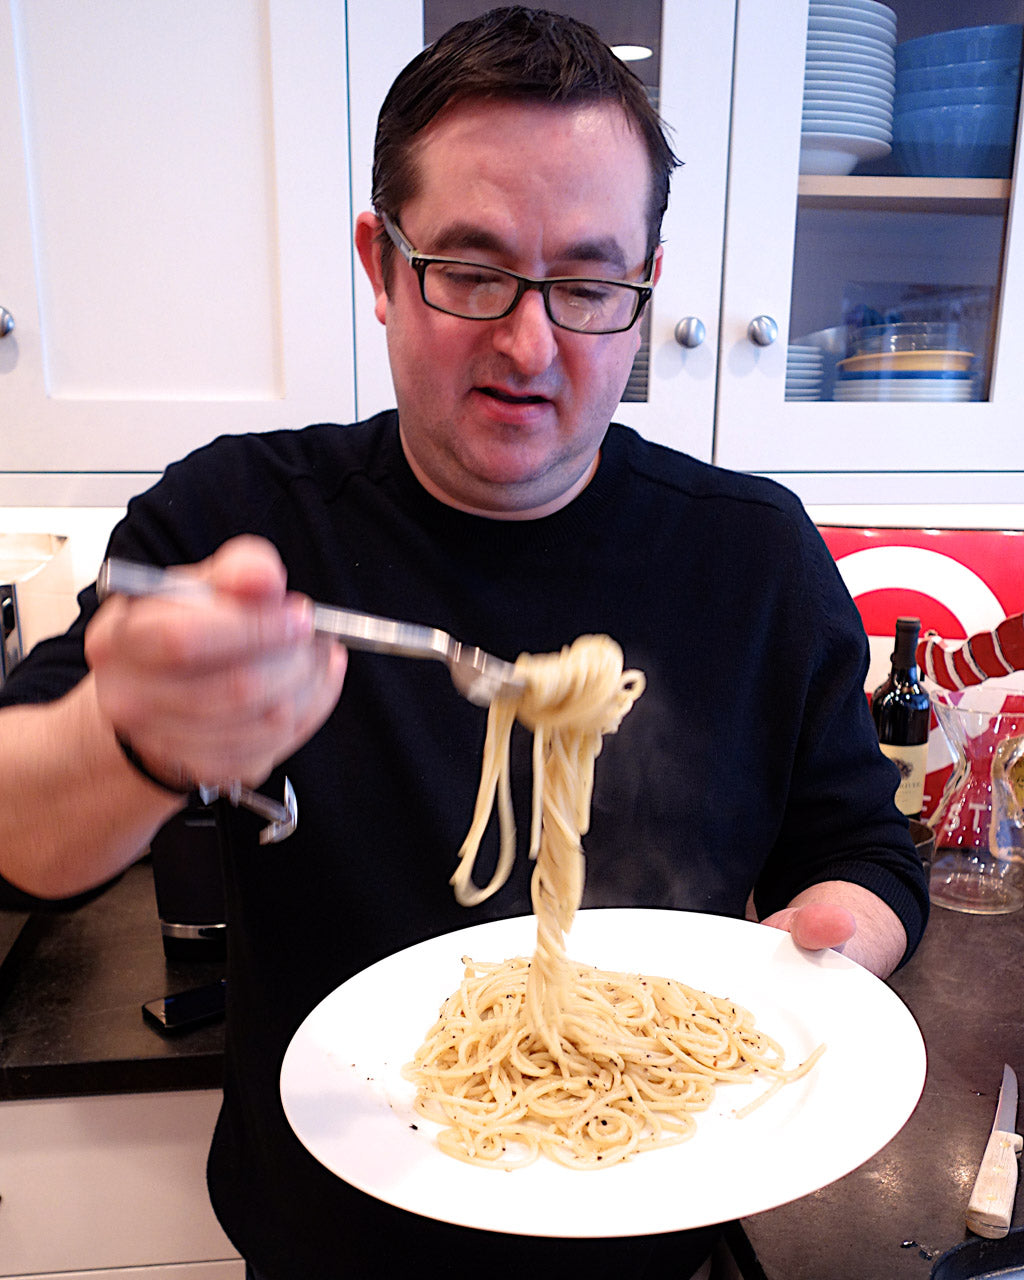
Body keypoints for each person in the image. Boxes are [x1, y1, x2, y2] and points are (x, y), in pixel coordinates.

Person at [0, 8, 928, 1278]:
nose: (529, 343)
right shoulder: (240, 523)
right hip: (329, 1246)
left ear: (644, 292)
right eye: (473, 270)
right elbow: (16, 833)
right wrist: (135, 736)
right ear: (381, 263)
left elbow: (865, 849)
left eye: (589, 284)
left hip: (659, 1220)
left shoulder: (754, 554)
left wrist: (842, 937)